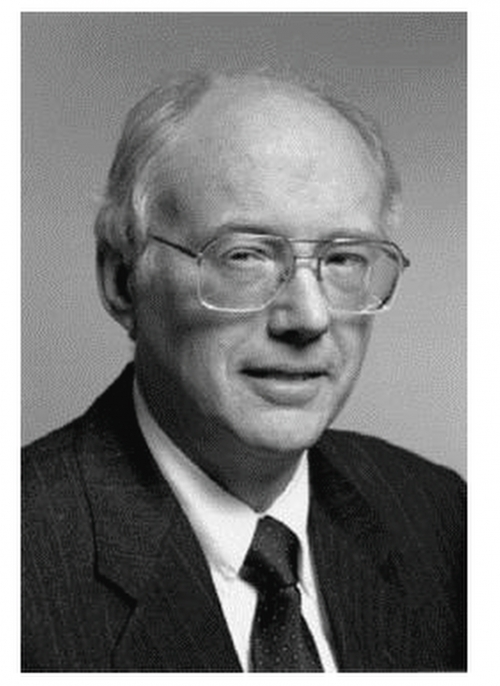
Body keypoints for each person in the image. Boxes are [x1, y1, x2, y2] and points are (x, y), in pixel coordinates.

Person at [22, 70, 466, 672]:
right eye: (246, 255)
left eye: (342, 259)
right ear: (123, 280)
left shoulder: (445, 518)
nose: (308, 317)